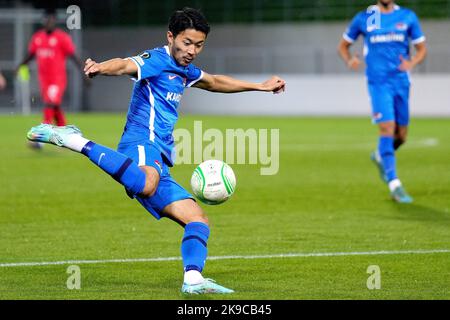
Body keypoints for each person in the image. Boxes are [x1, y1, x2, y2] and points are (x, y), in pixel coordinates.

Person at [27, 7, 286, 294]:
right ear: (171, 36)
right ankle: (74, 140)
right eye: (187, 42)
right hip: (140, 141)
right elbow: (125, 64)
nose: (192, 50)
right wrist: (101, 67)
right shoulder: (158, 60)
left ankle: (193, 280)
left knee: (197, 219)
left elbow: (214, 82)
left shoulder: (185, 70)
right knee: (146, 183)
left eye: (199, 45)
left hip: (160, 156)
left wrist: (259, 86)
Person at [337, 0, 427, 203]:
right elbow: (343, 46)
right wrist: (349, 59)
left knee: (401, 136)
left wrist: (411, 62)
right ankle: (395, 184)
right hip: (378, 83)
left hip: (401, 82)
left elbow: (421, 49)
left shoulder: (407, 16)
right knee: (387, 129)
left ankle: (380, 156)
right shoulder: (365, 17)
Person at [17, 8, 84, 126]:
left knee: (50, 102)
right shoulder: (37, 37)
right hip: (44, 79)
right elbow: (30, 55)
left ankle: (43, 133)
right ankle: (64, 132)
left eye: (51, 20)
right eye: (46, 20)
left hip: (57, 79)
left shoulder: (62, 38)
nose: (48, 22)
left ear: (55, 21)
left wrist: (84, 73)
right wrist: (20, 66)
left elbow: (74, 57)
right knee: (55, 105)